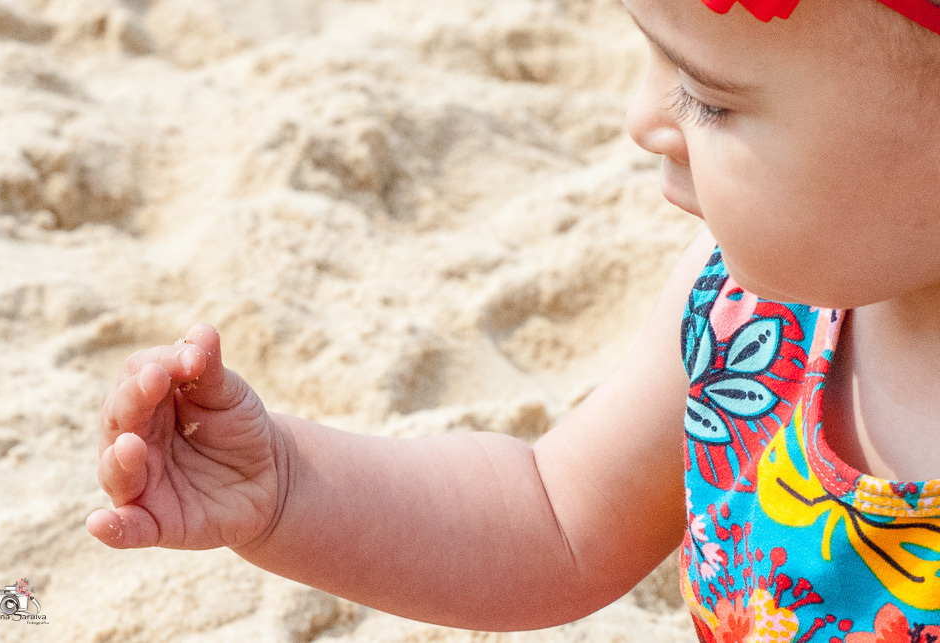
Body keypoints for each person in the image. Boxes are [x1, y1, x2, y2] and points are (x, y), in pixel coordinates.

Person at [86, 0, 940, 638]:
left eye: (708, 99)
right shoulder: (748, 318)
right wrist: (287, 489)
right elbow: (550, 518)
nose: (641, 119)